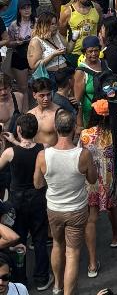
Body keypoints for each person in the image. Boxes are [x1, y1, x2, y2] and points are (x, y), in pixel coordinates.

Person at [33, 109, 97, 295]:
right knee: (72, 253)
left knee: (57, 245)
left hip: (54, 208)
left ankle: (57, 286)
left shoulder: (43, 156)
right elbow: (92, 180)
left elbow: (37, 184)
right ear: (74, 129)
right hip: (77, 209)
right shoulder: (83, 155)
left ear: (55, 128)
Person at [0, 113, 49, 291]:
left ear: (19, 130)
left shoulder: (10, 152)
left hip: (17, 201)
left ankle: (20, 279)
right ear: (36, 130)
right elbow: (29, 148)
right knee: (40, 239)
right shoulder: (43, 148)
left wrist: (11, 142)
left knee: (18, 241)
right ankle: (42, 278)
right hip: (37, 198)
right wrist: (16, 141)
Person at [80, 99, 117, 280]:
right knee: (113, 207)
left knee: (91, 218)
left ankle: (92, 263)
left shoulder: (85, 134)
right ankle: (116, 236)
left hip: (90, 182)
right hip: (110, 180)